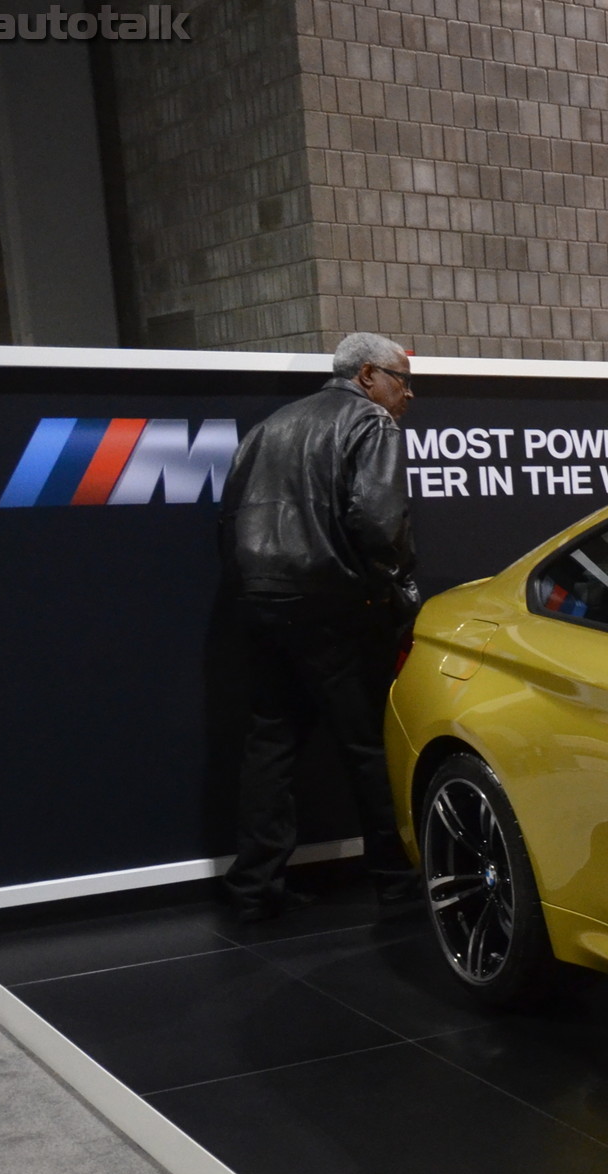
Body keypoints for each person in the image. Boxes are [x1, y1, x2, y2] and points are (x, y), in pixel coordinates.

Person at [217, 332, 424, 920]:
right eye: (400, 380)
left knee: (271, 743)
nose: (407, 394)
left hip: (261, 603)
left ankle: (252, 889)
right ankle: (394, 880)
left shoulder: (268, 427)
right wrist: (397, 589)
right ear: (366, 376)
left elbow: (228, 520)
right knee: (368, 746)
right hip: (336, 606)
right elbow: (379, 520)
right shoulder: (371, 422)